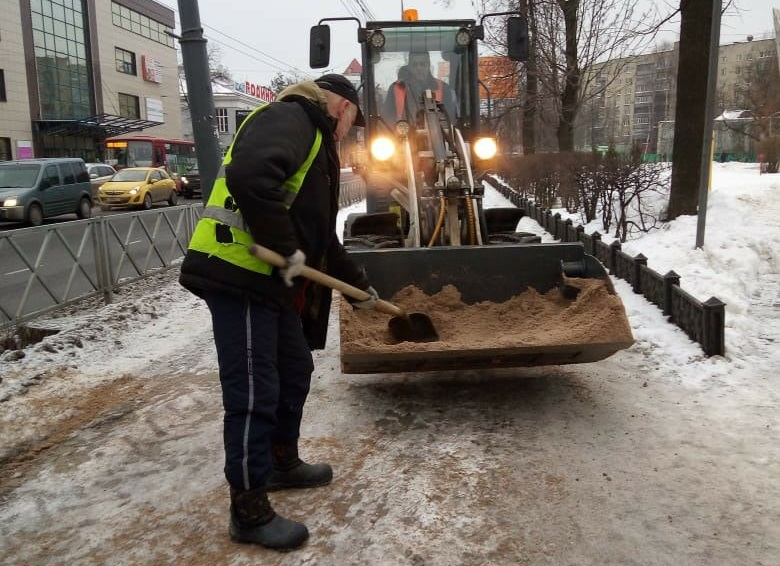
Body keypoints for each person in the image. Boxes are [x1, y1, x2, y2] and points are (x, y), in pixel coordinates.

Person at [179, 74, 378, 551]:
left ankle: (279, 463)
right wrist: (285, 247)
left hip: (268, 282)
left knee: (294, 368)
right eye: (352, 123)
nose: (349, 134)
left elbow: (320, 238)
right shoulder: (291, 118)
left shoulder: (312, 146)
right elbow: (250, 176)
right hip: (238, 271)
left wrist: (360, 289)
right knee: (253, 391)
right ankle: (247, 510)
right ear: (341, 106)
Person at [382, 51, 458, 123]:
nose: (419, 68)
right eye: (415, 64)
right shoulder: (396, 88)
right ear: (409, 67)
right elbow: (387, 118)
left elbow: (451, 117)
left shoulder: (443, 88)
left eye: (422, 64)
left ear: (428, 65)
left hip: (438, 135)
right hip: (402, 134)